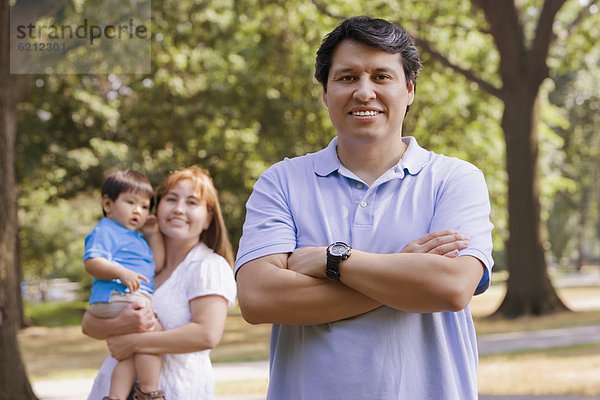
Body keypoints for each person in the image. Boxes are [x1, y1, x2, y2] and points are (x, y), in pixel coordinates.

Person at [235, 16, 494, 400]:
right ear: (325, 92)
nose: (364, 91)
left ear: (409, 90)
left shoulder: (455, 179)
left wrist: (333, 261)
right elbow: (258, 299)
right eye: (347, 77)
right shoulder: (281, 181)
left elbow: (452, 287)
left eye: (381, 77)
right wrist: (404, 273)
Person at [83, 166, 237, 400]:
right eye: (171, 199)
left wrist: (134, 342)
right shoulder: (140, 262)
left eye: (192, 203)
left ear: (208, 219)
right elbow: (89, 324)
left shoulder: (208, 266)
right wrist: (122, 323)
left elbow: (207, 335)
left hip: (176, 390)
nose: (179, 209)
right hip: (110, 389)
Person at [84, 170, 165, 400]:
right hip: (117, 295)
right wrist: (121, 272)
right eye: (130, 202)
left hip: (126, 298)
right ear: (108, 204)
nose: (138, 210)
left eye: (144, 206)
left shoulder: (136, 238)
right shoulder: (106, 230)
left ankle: (116, 397)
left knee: (129, 353)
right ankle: (150, 392)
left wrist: (153, 234)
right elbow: (92, 261)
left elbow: (156, 265)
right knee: (153, 333)